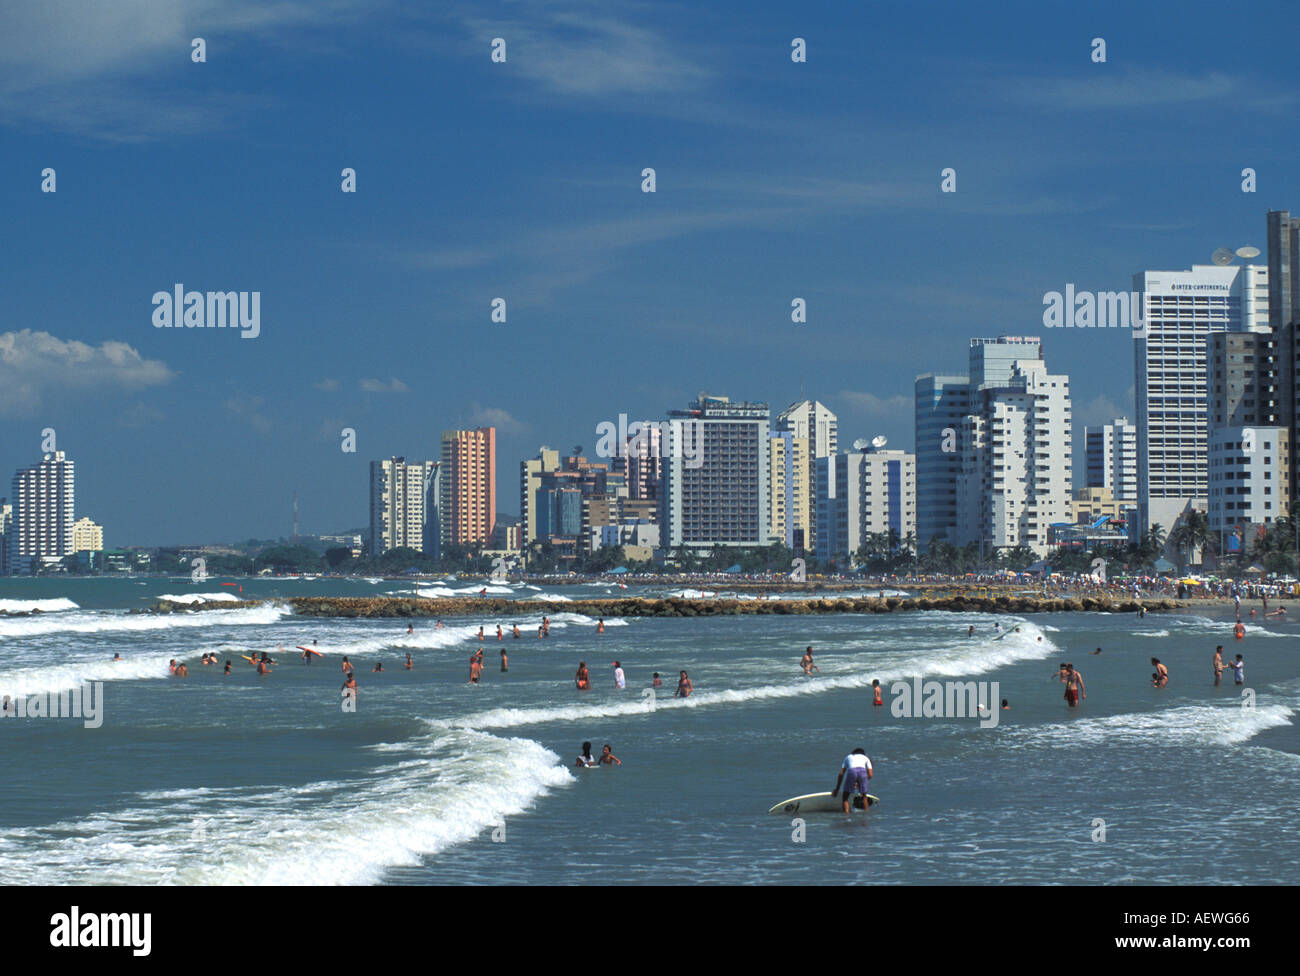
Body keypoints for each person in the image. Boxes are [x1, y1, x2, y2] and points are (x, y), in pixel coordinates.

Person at [832, 747, 873, 814]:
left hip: (852, 771)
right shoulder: (866, 758)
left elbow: (841, 774)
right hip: (863, 772)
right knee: (864, 797)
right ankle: (867, 816)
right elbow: (870, 775)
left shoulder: (848, 757)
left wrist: (837, 788)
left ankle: (847, 817)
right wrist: (859, 784)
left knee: (845, 797)